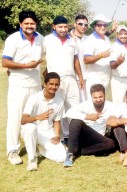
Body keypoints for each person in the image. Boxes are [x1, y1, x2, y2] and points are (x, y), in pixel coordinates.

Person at [2, 10, 43, 165]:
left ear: (36, 24)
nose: (29, 26)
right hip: (18, 85)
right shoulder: (13, 39)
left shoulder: (40, 38)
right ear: (20, 24)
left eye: (32, 23)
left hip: (35, 85)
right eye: (26, 23)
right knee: (16, 118)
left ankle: (34, 146)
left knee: (35, 117)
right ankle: (12, 151)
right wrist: (26, 65)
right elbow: (5, 62)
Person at [43, 16, 84, 144]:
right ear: (54, 27)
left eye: (65, 26)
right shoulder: (47, 40)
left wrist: (80, 77)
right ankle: (61, 136)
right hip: (56, 80)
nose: (63, 29)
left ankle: (74, 135)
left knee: (74, 106)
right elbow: (39, 57)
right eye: (60, 27)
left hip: (71, 78)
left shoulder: (72, 41)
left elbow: (75, 60)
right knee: (58, 108)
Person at [21, 72, 66, 171]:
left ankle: (40, 149)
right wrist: (38, 117)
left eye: (56, 84)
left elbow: (57, 121)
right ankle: (32, 160)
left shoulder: (59, 101)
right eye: (51, 84)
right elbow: (23, 120)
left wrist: (57, 135)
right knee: (30, 128)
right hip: (32, 130)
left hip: (47, 132)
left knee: (62, 158)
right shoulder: (34, 98)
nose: (54, 87)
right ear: (45, 84)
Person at [63, 84, 115, 167]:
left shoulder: (111, 106)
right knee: (75, 121)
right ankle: (70, 154)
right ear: (91, 97)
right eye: (95, 97)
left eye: (100, 97)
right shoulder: (86, 105)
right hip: (85, 135)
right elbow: (68, 112)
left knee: (111, 144)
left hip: (98, 138)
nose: (98, 99)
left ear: (105, 95)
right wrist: (87, 117)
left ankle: (77, 151)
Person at [84, 14, 112, 93]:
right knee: (94, 103)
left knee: (102, 102)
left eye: (104, 25)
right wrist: (100, 55)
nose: (102, 27)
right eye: (99, 25)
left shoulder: (106, 38)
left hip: (106, 76)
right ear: (94, 26)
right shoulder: (91, 40)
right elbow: (86, 60)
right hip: (95, 77)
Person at [110, 25, 127, 104]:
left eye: (125, 34)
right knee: (118, 105)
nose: (123, 36)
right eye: (121, 34)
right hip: (119, 80)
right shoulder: (114, 47)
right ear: (117, 34)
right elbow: (112, 65)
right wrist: (118, 62)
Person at [70, 14, 89, 102]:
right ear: (75, 24)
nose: (83, 26)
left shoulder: (88, 39)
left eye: (85, 25)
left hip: (87, 76)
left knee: (87, 102)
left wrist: (111, 30)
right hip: (73, 77)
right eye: (80, 24)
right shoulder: (68, 38)